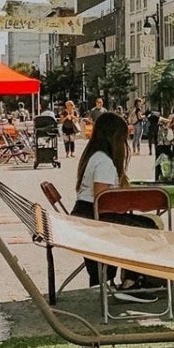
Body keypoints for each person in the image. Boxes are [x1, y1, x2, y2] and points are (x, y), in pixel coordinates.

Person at [70, 111, 160, 303]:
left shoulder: (94, 156)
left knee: (143, 224)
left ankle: (131, 279)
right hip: (95, 216)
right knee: (147, 228)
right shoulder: (104, 161)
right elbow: (103, 198)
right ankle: (131, 282)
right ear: (115, 137)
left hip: (85, 213)